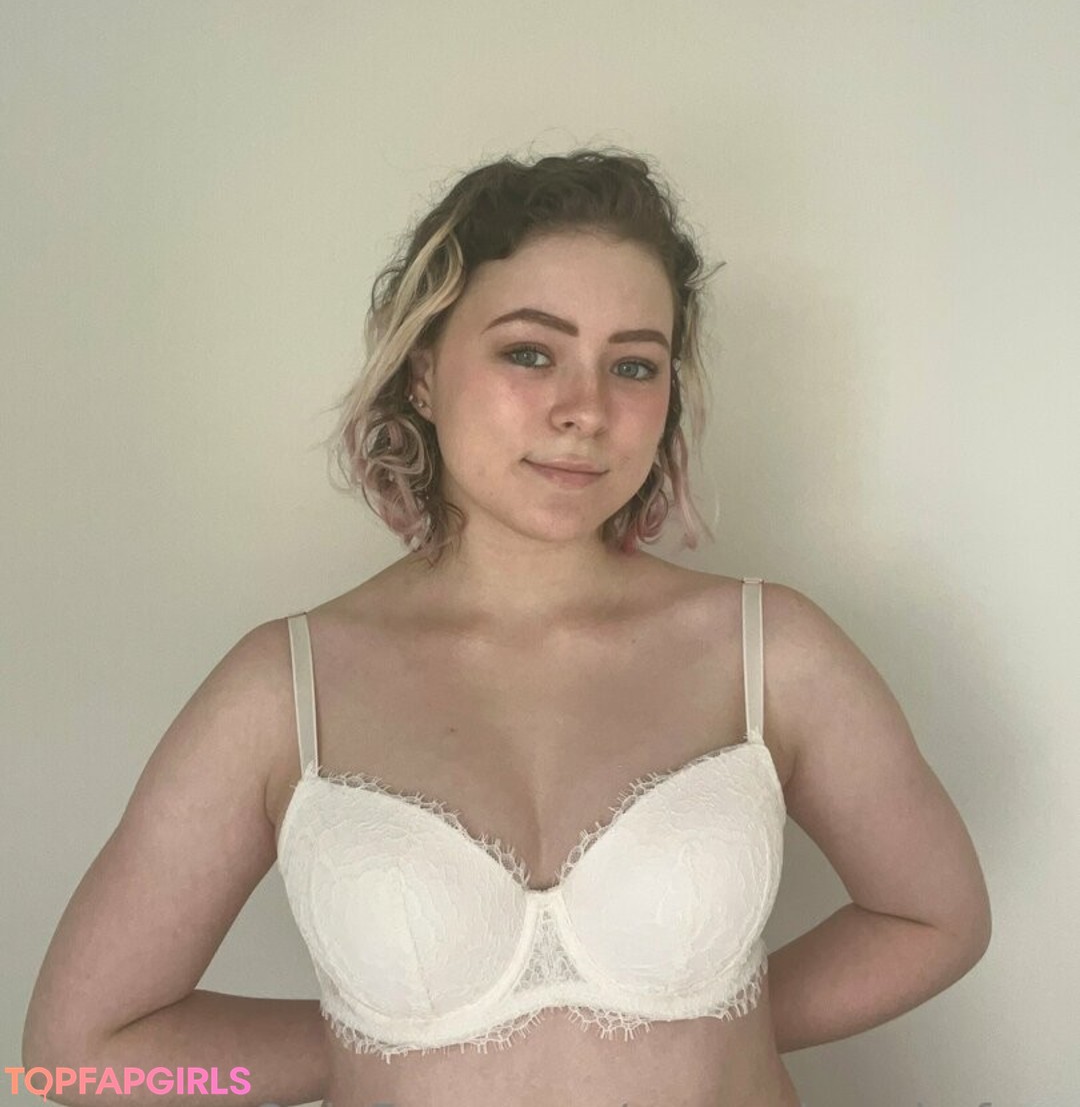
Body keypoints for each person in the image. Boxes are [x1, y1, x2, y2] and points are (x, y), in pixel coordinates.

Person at [23, 148, 991, 1107]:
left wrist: (726, 1025)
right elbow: (74, 1054)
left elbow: (936, 917)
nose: (585, 409)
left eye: (633, 365)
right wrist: (360, 1053)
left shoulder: (770, 652)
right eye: (531, 352)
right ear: (423, 372)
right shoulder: (284, 690)